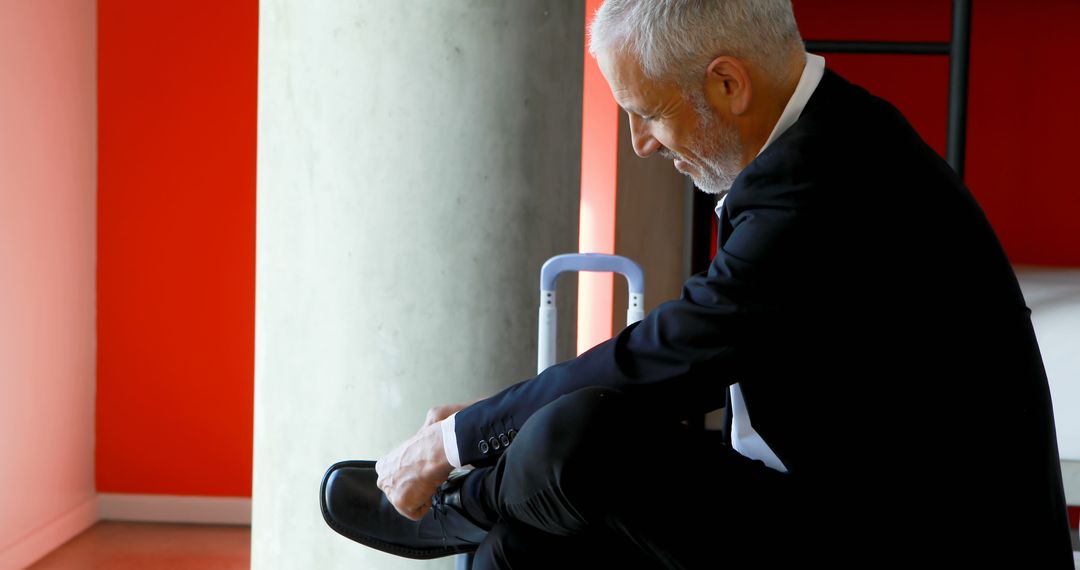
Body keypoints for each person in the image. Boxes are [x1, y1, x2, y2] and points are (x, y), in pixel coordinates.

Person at [321, 1, 1074, 567]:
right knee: (541, 521)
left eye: (646, 113)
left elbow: (665, 357)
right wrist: (493, 436)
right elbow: (685, 362)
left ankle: (463, 505)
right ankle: (476, 510)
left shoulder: (824, 189)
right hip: (844, 511)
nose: (640, 142)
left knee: (576, 440)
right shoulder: (833, 136)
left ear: (726, 83)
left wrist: (455, 445)